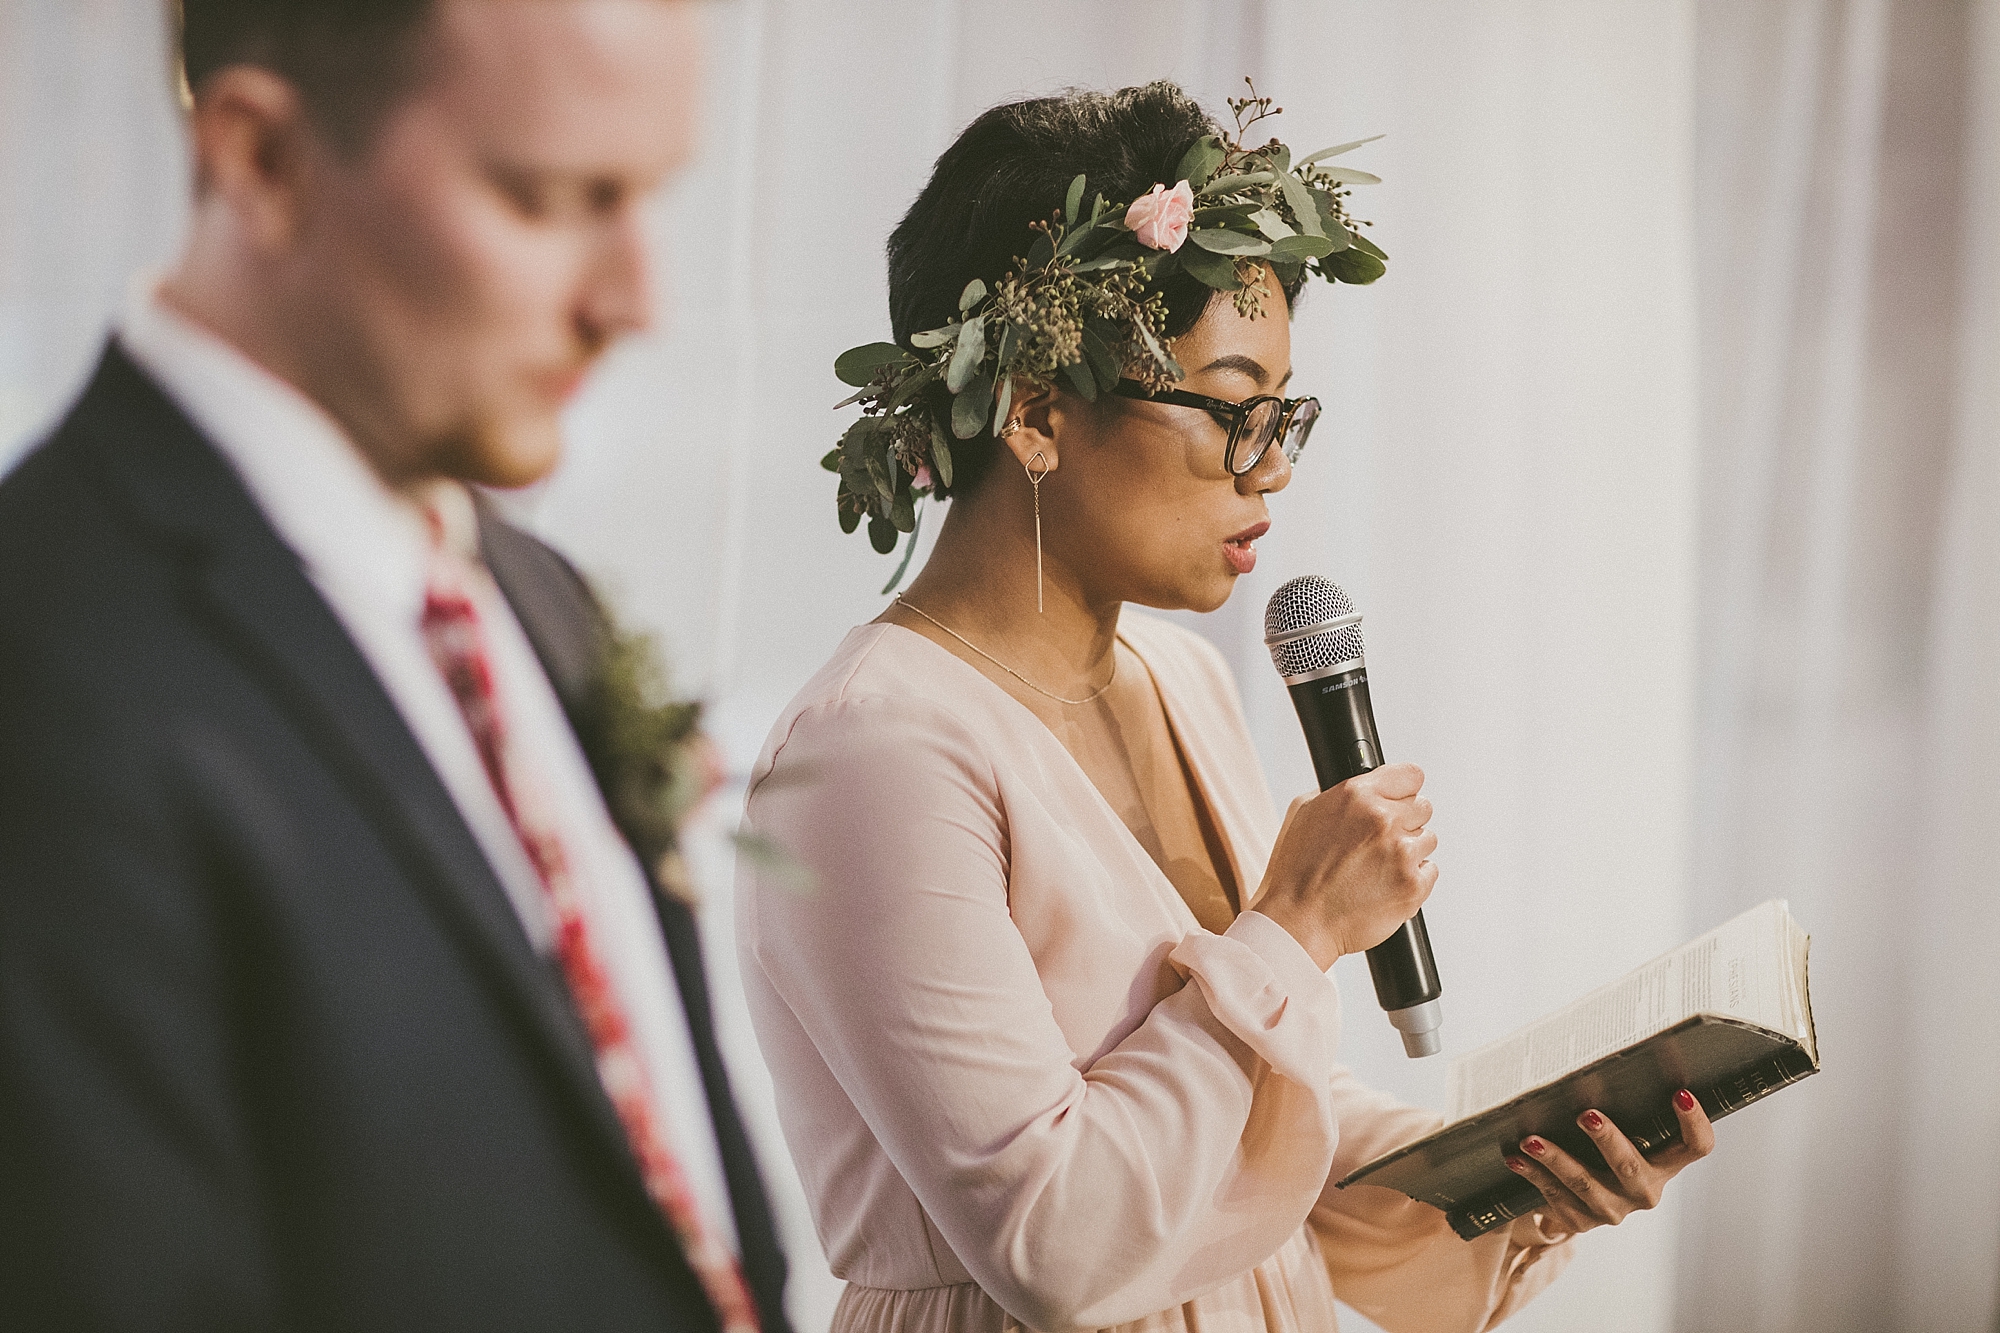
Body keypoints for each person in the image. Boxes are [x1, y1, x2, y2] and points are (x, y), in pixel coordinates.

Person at [736, 82, 1714, 1333]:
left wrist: (1519, 1170)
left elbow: (1247, 1135)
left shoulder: (1179, 678)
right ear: (1033, 409)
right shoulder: (873, 753)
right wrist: (1295, 924)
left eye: (1283, 409)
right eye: (1231, 407)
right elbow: (1052, 1241)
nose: (1275, 465)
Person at [0, 2, 791, 1329]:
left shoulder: (540, 599)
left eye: (646, 196)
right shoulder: (42, 664)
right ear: (261, 160)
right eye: (550, 198)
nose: (635, 301)